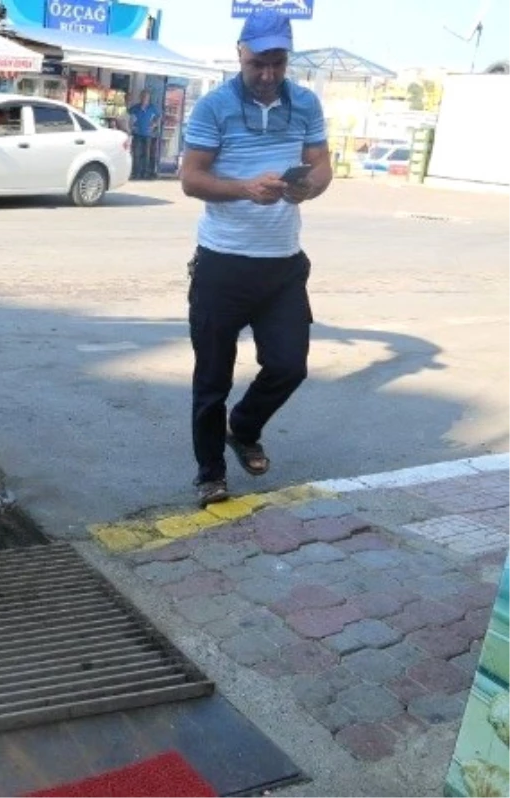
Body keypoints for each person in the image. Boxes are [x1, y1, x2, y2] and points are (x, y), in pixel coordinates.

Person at [179, 9, 332, 507]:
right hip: (223, 262)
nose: (267, 76)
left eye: (278, 64)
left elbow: (322, 164)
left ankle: (243, 427)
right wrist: (245, 188)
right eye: (257, 64)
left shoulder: (305, 102)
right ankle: (210, 473)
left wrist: (306, 188)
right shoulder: (214, 107)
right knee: (213, 377)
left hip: (283, 264)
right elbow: (191, 179)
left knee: (289, 366)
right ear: (240, 56)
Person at [128, 90, 161, 179]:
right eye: (143, 97)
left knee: (146, 154)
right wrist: (131, 126)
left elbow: (158, 117)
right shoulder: (136, 107)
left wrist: (154, 125)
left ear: (149, 98)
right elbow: (128, 115)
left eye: (146, 97)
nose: (144, 99)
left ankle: (145, 173)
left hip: (148, 135)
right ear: (140, 97)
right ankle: (136, 173)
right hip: (137, 134)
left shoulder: (152, 108)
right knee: (136, 154)